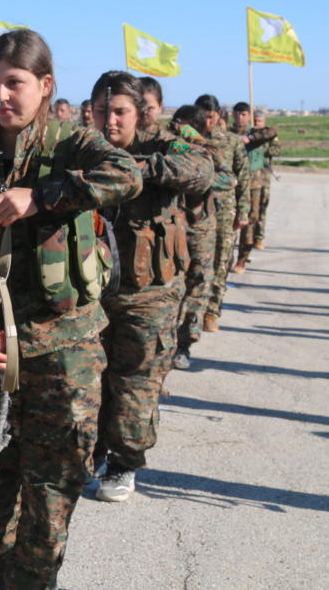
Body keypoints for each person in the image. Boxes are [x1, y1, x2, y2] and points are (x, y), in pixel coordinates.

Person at [0, 30, 141, 590]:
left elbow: (126, 175)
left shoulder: (74, 146)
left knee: (55, 477)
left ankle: (35, 578)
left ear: (45, 85)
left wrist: (40, 196)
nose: (1, 96)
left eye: (13, 83)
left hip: (66, 348)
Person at [88, 72, 212, 502]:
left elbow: (201, 168)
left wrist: (136, 168)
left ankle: (124, 463)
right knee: (90, 378)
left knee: (135, 381)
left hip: (150, 293)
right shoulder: (86, 148)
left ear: (139, 114)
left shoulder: (165, 143)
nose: (110, 122)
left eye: (120, 112)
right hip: (93, 289)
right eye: (102, 111)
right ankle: (92, 452)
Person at [168, 105, 219, 370]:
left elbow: (225, 178)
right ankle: (167, 341)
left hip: (200, 228)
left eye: (186, 127)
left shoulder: (208, 151)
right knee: (172, 285)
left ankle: (185, 342)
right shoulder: (169, 148)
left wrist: (195, 146)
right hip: (173, 226)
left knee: (198, 283)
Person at [194, 95, 249, 332]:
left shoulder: (231, 141)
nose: (207, 121)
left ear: (218, 115)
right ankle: (193, 313)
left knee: (221, 261)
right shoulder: (189, 141)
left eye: (210, 116)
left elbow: (243, 177)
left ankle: (211, 312)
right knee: (195, 262)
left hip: (224, 211)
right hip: (194, 211)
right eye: (203, 117)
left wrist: (243, 211)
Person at [231, 103, 279, 271]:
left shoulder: (256, 132)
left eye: (244, 114)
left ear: (249, 116)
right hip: (234, 183)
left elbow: (273, 131)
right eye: (237, 114)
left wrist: (250, 138)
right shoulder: (229, 134)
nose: (240, 117)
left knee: (249, 222)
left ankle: (242, 260)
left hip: (254, 184)